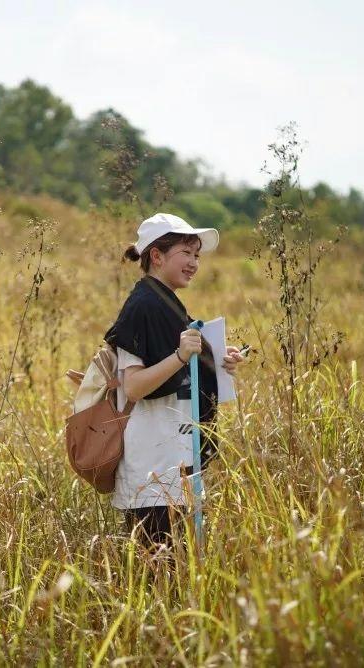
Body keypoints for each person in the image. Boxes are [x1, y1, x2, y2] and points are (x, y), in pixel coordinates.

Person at [104, 212, 248, 549]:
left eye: (197, 255)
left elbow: (179, 367)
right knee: (159, 575)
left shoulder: (165, 303)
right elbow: (135, 386)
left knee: (180, 570)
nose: (194, 263)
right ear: (156, 255)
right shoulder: (142, 306)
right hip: (152, 472)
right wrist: (182, 356)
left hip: (176, 459)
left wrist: (215, 359)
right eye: (186, 253)